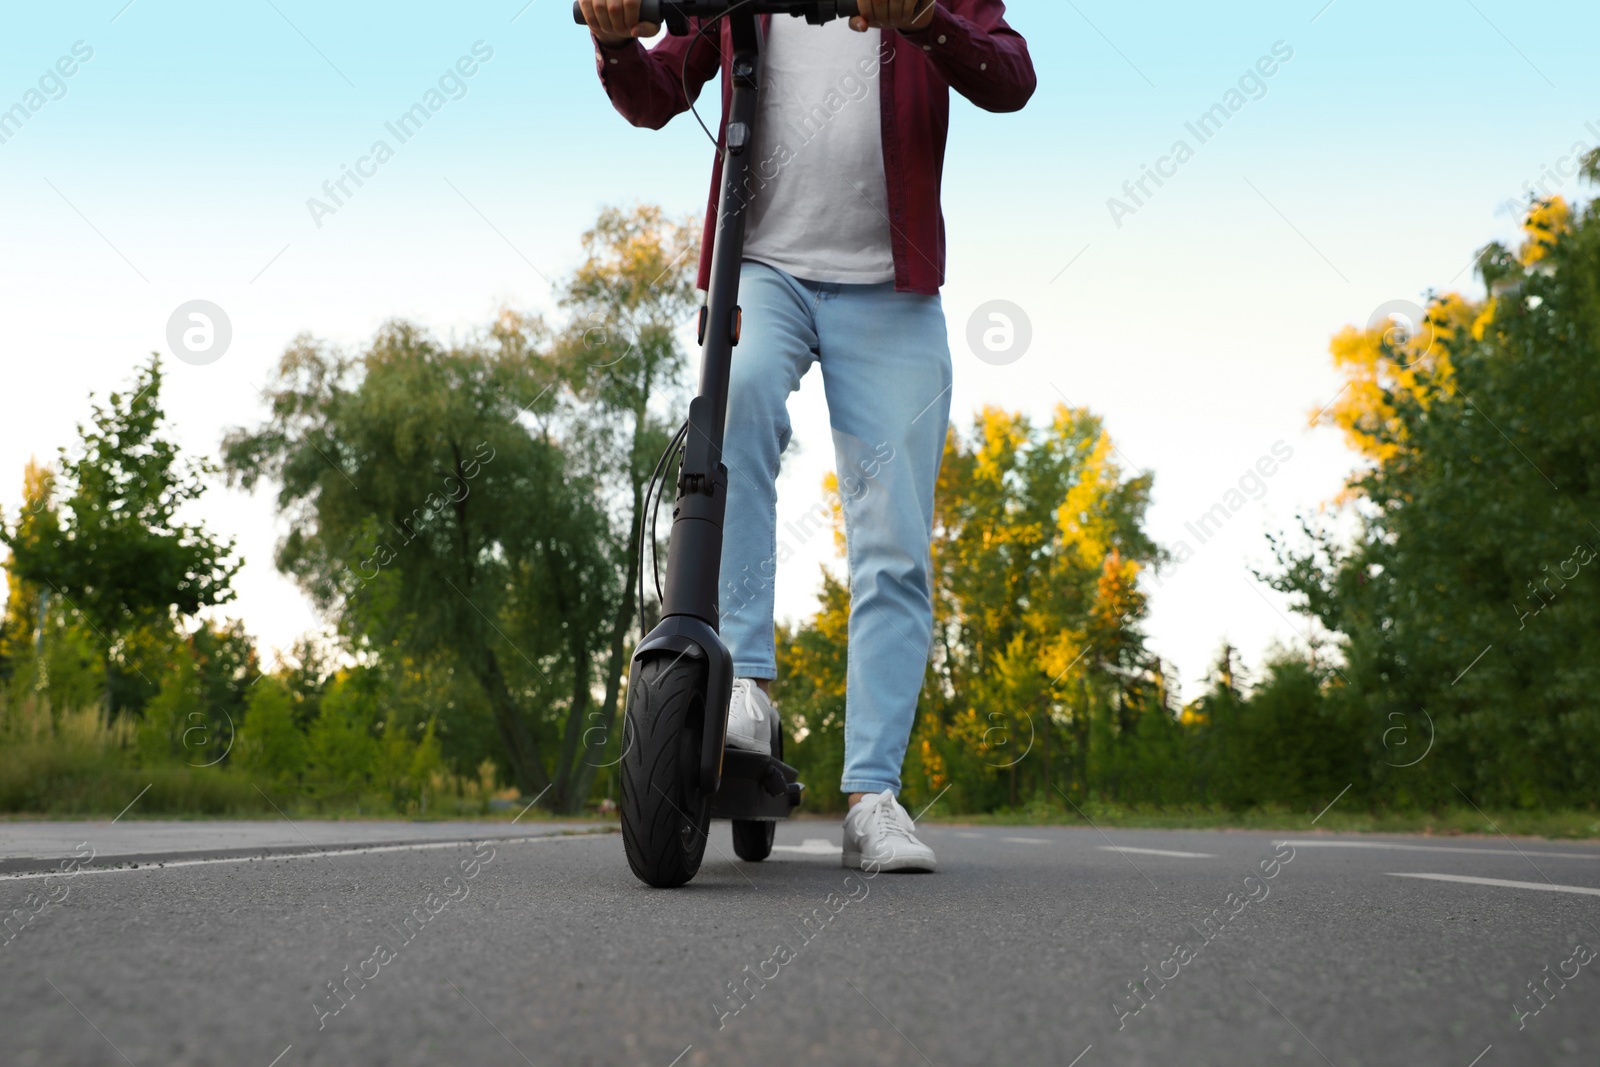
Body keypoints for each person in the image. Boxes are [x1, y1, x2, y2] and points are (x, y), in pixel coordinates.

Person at [580, 0, 1034, 871]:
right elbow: (657, 93)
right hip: (763, 266)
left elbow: (1011, 77)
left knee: (895, 541)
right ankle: (744, 682)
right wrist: (613, 37)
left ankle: (874, 797)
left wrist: (927, 20)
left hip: (893, 294)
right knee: (736, 401)